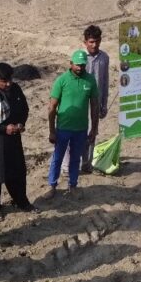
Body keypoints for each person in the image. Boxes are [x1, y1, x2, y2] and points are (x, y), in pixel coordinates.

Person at [0, 62, 37, 221]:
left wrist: (20, 124)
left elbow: (24, 109)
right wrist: (4, 129)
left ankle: (21, 201)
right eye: (4, 81)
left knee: (17, 170)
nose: (8, 83)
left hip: (13, 138)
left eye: (10, 79)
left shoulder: (15, 89)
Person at [47, 49, 100, 197]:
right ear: (70, 64)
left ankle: (73, 185)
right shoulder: (61, 80)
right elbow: (52, 107)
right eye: (77, 64)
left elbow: (94, 106)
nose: (80, 68)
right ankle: (52, 186)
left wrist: (94, 129)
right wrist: (52, 131)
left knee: (76, 159)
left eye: (83, 65)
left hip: (81, 128)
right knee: (57, 158)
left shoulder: (90, 80)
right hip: (63, 128)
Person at [71, 25, 109, 175]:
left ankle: (87, 163)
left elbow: (105, 82)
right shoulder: (79, 58)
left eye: (97, 41)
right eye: (91, 42)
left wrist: (104, 104)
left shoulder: (104, 58)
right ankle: (77, 161)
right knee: (79, 130)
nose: (95, 45)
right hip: (80, 101)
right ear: (85, 42)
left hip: (96, 99)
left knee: (93, 131)